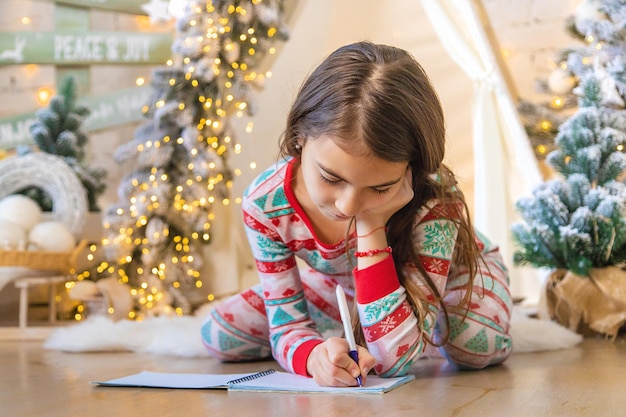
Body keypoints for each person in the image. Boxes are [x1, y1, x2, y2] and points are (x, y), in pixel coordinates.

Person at [201, 41, 512, 387]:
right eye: (331, 178)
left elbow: (394, 363)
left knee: (472, 347)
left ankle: (419, 329)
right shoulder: (265, 205)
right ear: (299, 136)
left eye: (380, 188)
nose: (347, 206)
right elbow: (287, 328)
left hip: (451, 275)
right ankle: (378, 323)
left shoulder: (435, 200)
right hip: (347, 284)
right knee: (220, 335)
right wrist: (314, 355)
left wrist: (371, 223)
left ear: (412, 169)